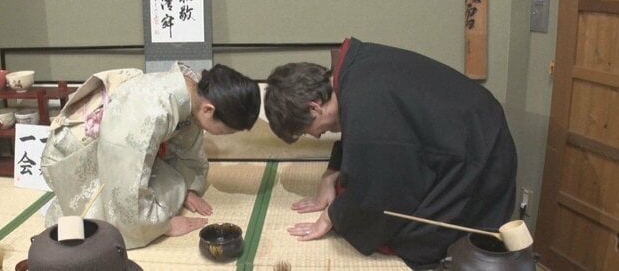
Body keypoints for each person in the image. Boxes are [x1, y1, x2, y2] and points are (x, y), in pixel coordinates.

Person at [264, 37, 517, 270]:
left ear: (314, 107)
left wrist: (332, 216)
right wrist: (330, 174)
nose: (317, 136)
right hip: (473, 127)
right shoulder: (352, 70)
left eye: (307, 130)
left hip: (479, 158)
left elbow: (380, 191)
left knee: (412, 238)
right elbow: (365, 137)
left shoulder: (364, 104)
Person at [41, 62, 260, 249]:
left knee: (175, 187)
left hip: (117, 151)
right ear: (209, 110)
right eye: (226, 131)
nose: (223, 136)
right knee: (118, 217)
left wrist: (188, 187)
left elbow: (186, 148)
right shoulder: (150, 110)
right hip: (73, 157)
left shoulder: (191, 93)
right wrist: (162, 226)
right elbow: (124, 179)